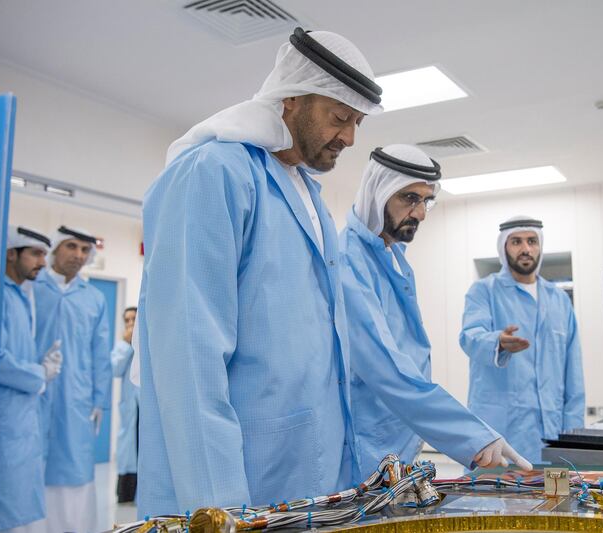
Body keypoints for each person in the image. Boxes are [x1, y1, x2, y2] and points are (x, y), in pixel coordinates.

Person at [136, 27, 383, 516]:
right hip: (242, 483)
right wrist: (219, 511)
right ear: (291, 100)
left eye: (357, 122)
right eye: (339, 117)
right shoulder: (213, 172)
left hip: (312, 476)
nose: (350, 138)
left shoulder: (307, 193)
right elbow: (188, 354)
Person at [339, 145, 531, 478]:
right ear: (377, 193)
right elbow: (386, 366)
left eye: (426, 200)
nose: (421, 213)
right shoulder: (348, 261)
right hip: (365, 447)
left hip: (399, 442)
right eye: (409, 198)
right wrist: (472, 436)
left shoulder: (393, 258)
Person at [459, 216, 585, 464]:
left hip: (552, 434)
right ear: (504, 247)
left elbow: (574, 374)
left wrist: (574, 435)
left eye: (532, 241)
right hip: (498, 433)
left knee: (553, 500)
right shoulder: (484, 291)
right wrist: (497, 341)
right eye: (516, 241)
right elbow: (470, 337)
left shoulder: (559, 300)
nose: (526, 248)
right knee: (489, 499)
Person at [34, 226, 111, 533]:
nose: (78, 255)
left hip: (77, 399)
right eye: (71, 246)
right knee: (31, 465)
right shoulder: (33, 288)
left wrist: (99, 401)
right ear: (54, 249)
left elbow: (100, 355)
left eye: (84, 250)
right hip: (33, 393)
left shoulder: (93, 298)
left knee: (75, 467)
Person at [0, 226, 62, 533]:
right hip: (0, 414)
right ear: (11, 254)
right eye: (35, 254)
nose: (43, 263)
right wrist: (40, 374)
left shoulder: (21, 295)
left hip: (20, 414)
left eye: (45, 254)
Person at [112, 306, 139, 503]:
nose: (130, 324)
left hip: (145, 408)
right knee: (128, 451)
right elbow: (114, 368)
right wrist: (126, 344)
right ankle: (126, 494)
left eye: (134, 320)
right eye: (127, 320)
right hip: (130, 407)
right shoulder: (122, 347)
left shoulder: (148, 341)